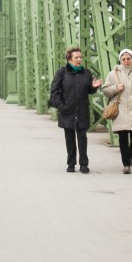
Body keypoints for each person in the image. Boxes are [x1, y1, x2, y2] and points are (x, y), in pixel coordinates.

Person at [49, 46, 102, 174]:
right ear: (69, 59)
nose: (79, 60)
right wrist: (62, 106)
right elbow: (54, 91)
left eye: (80, 57)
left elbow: (88, 90)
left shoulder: (87, 73)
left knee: (82, 137)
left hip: (82, 110)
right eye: (76, 57)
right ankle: (71, 164)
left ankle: (84, 164)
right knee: (70, 139)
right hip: (67, 110)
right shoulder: (62, 73)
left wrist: (94, 87)